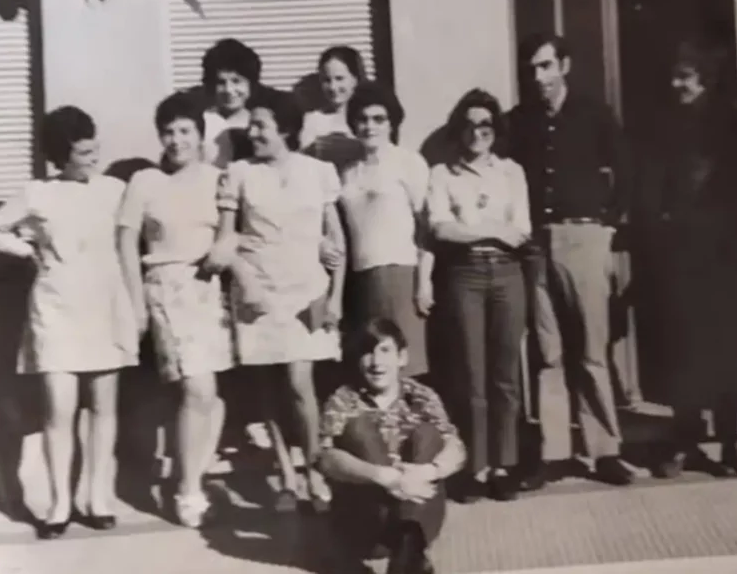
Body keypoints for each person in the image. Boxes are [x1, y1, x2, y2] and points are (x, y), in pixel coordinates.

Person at [0, 106, 136, 539]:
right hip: (56, 309)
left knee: (104, 408)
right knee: (58, 409)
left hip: (105, 306)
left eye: (93, 147)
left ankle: (97, 496)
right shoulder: (38, 194)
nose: (93, 156)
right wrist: (28, 251)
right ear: (60, 156)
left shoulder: (115, 190)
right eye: (83, 152)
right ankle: (59, 503)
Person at [507, 33, 634, 487]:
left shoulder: (594, 115)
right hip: (538, 244)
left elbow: (626, 171)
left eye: (546, 66)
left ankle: (604, 451)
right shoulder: (518, 122)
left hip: (586, 237)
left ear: (564, 65)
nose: (539, 77)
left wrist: (610, 229)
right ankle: (555, 452)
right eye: (532, 69)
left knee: (592, 350)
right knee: (548, 351)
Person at [212, 88, 347, 513]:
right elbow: (227, 238)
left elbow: (337, 239)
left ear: (285, 129)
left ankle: (315, 472)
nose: (252, 133)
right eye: (252, 125)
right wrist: (241, 277)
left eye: (260, 126)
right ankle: (287, 474)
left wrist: (337, 295)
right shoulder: (238, 173)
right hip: (256, 291)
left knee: (299, 383)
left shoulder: (318, 171)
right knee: (268, 386)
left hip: (307, 290)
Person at [633, 40, 737, 479]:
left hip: (726, 258)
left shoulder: (736, 121)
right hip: (679, 256)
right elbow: (651, 185)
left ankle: (729, 447)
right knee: (682, 353)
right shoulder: (663, 125)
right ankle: (686, 442)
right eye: (674, 76)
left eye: (684, 76)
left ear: (704, 78)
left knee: (726, 352)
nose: (676, 84)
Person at [116, 91, 234, 527]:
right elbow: (126, 242)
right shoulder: (145, 182)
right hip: (165, 287)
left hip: (209, 290)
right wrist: (135, 302)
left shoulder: (217, 178)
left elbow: (232, 230)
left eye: (185, 130)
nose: (176, 139)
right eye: (168, 131)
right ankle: (187, 490)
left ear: (201, 136)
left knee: (212, 395)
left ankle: (192, 481)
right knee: (196, 389)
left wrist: (226, 246)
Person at [427, 88, 531, 502]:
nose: (477, 132)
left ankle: (504, 465)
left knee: (505, 375)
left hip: (507, 273)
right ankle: (477, 467)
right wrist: (490, 229)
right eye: (469, 125)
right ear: (459, 129)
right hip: (464, 274)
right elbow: (441, 228)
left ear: (495, 128)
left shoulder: (512, 172)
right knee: (471, 375)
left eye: (485, 125)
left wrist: (482, 230)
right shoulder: (442, 174)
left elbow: (521, 229)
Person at [318, 317, 465, 574]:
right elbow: (326, 459)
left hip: (417, 520)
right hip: (364, 521)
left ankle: (408, 553)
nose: (376, 362)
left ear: (402, 357)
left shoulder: (421, 396)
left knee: (428, 433)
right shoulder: (344, 398)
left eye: (385, 350)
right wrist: (385, 477)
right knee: (359, 429)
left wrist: (429, 471)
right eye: (367, 352)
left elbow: (457, 449)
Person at [339, 82, 434, 379]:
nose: (370, 126)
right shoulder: (347, 172)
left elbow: (426, 228)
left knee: (406, 367)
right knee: (371, 367)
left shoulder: (408, 162)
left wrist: (424, 282)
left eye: (379, 119)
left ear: (391, 123)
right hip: (361, 278)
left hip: (401, 276)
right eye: (363, 119)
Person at [193, 38, 263, 168]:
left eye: (236, 81)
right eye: (221, 83)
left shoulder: (259, 123)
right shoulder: (201, 121)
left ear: (251, 84)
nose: (229, 90)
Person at [301, 45, 367, 170]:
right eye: (327, 80)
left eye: (339, 79)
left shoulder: (369, 118)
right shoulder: (313, 120)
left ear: (355, 79)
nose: (333, 87)